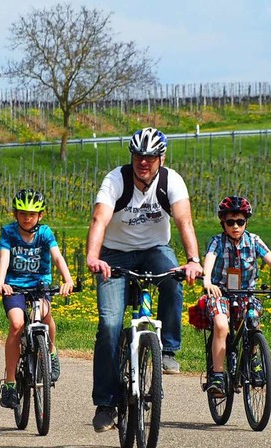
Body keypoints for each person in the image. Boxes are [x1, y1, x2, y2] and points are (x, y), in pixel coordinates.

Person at [86, 127, 203, 432]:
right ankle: (106, 403)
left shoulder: (170, 181)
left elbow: (184, 220)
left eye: (151, 157)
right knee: (110, 324)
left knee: (173, 278)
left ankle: (166, 350)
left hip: (154, 250)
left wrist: (193, 260)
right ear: (132, 156)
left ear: (161, 158)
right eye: (139, 155)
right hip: (114, 255)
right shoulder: (116, 180)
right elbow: (99, 218)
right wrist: (93, 256)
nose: (144, 162)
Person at [0, 188, 75, 409]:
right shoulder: (9, 232)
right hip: (14, 287)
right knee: (17, 323)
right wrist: (1, 282)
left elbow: (57, 256)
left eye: (32, 214)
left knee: (44, 316)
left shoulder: (45, 233)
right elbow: (4, 258)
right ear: (15, 214)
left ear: (41, 215)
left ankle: (51, 351)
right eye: (22, 213)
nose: (27, 218)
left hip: (40, 286)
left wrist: (67, 280)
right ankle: (10, 383)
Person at [202, 196, 271, 396]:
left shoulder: (254, 240)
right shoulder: (217, 241)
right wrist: (207, 280)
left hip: (247, 294)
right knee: (221, 325)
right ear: (223, 222)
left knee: (253, 320)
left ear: (246, 222)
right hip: (221, 293)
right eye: (230, 222)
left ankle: (254, 359)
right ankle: (218, 376)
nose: (235, 226)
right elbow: (210, 260)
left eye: (240, 221)